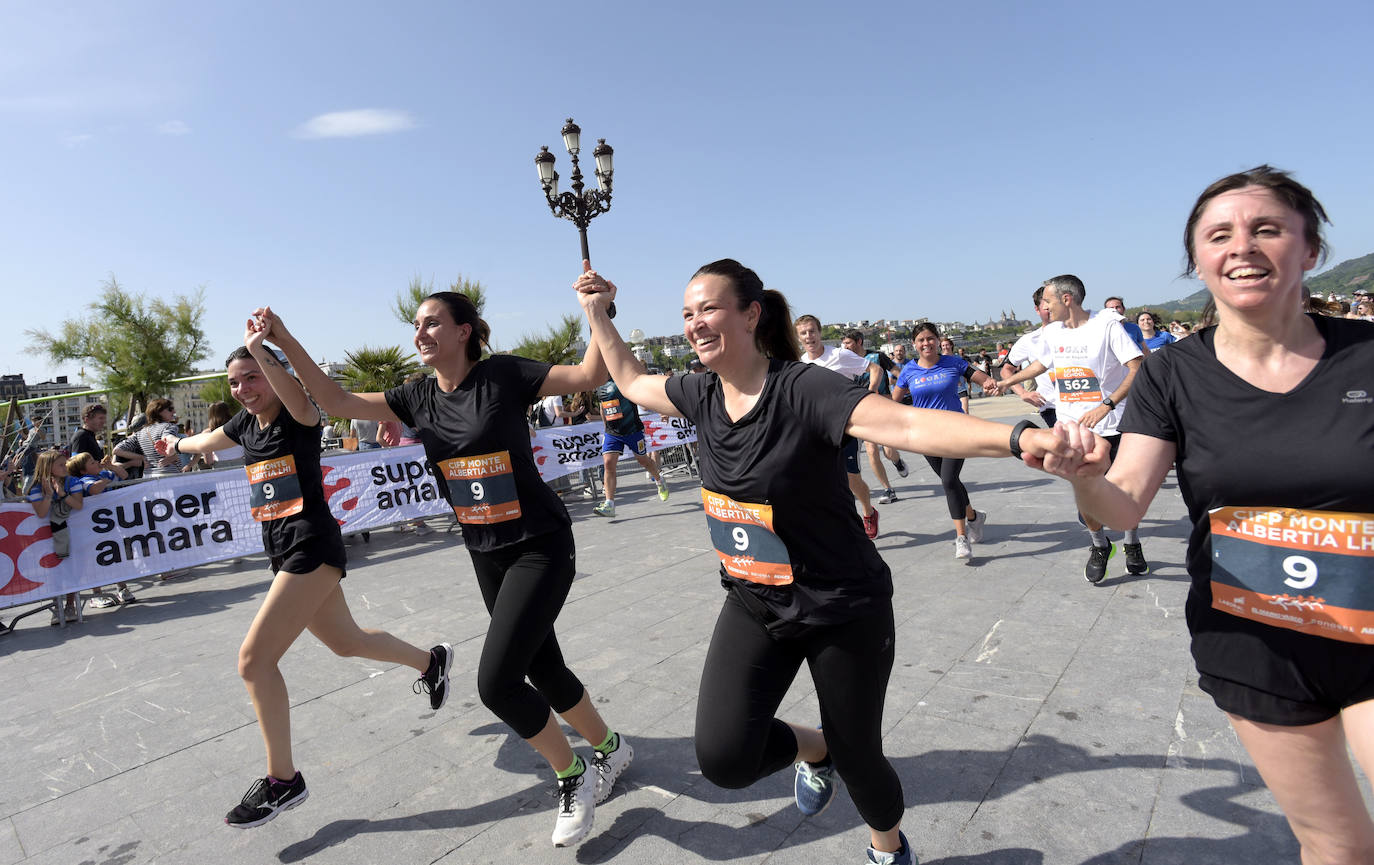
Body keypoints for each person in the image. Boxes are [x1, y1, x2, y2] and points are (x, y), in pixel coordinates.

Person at [574, 258, 1081, 865]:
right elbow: (629, 379)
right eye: (687, 313)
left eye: (708, 308)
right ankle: (814, 750)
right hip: (755, 600)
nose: (695, 324)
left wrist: (1020, 438)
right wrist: (597, 314)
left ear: (750, 314)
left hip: (842, 604)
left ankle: (888, 848)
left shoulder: (803, 388)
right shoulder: (697, 392)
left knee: (862, 755)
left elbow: (905, 425)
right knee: (725, 758)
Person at [1046, 165, 1374, 864]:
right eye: (1219, 234)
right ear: (1198, 259)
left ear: (1310, 249)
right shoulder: (1172, 374)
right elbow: (1127, 497)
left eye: (1267, 229)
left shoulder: (1366, 359)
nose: (1242, 246)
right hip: (1255, 640)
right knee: (1337, 846)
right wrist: (1083, 477)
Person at [256, 274, 631, 848]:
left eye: (432, 322)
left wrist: (598, 312)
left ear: (464, 331)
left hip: (540, 543)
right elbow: (331, 401)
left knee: (498, 682)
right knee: (543, 667)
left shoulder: (502, 374)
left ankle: (572, 775)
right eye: (415, 325)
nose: (420, 332)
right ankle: (611, 748)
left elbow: (589, 376)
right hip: (484, 550)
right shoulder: (415, 395)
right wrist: (280, 338)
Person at [159, 332, 453, 829]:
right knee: (347, 642)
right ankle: (431, 661)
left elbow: (292, 389)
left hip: (311, 547)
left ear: (272, 375)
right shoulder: (244, 426)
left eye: (252, 376)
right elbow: (205, 441)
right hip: (283, 553)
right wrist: (173, 442)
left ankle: (282, 780)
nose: (244, 387)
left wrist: (261, 347)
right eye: (234, 382)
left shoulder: (300, 416)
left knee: (253, 661)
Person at [1001, 274, 1150, 583]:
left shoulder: (1106, 325)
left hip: (1113, 423)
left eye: (1047, 301)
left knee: (1125, 490)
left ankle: (1132, 543)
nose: (1043, 307)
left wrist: (1106, 405)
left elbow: (1137, 367)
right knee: (1085, 490)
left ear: (1066, 300)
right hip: (1073, 428)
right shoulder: (1053, 332)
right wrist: (1008, 382)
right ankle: (1099, 546)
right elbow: (1041, 365)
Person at [892, 323, 999, 562]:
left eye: (930, 338)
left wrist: (990, 384)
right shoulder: (909, 370)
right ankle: (973, 517)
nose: (926, 343)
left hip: (955, 431)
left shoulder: (953, 362)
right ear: (914, 344)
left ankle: (961, 537)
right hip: (926, 435)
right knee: (951, 482)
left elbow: (980, 378)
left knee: (949, 480)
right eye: (921, 340)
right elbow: (894, 403)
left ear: (938, 340)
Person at [794, 315, 884, 539]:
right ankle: (839, 526)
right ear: (798, 338)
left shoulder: (839, 355)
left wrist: (870, 391)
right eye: (804, 333)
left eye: (812, 331)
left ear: (820, 332)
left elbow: (875, 369)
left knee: (852, 479)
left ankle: (869, 512)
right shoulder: (799, 364)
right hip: (816, 430)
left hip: (845, 427)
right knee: (821, 480)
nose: (809, 336)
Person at [841, 330, 909, 505]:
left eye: (848, 343)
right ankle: (888, 489)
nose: (845, 347)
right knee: (871, 450)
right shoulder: (845, 362)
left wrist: (906, 386)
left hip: (883, 407)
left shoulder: (877, 357)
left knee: (888, 451)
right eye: (844, 343)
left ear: (859, 341)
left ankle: (897, 461)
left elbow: (896, 372)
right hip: (863, 411)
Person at [592, 367, 670, 518]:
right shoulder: (599, 387)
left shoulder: (622, 382)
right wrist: (606, 429)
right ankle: (609, 504)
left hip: (632, 430)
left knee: (643, 461)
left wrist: (662, 410)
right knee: (608, 464)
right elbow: (603, 408)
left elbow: (644, 400)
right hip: (612, 433)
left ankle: (660, 481)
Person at [66, 452, 136, 607]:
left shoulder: (102, 474)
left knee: (116, 556)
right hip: (92, 528)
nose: (97, 462)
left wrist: (110, 467)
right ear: (83, 470)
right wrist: (105, 478)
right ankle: (96, 594)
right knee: (94, 561)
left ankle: (122, 588)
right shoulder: (83, 480)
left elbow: (123, 475)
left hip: (110, 525)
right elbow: (94, 490)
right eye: (92, 463)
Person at [26, 449, 85, 625]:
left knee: (72, 568)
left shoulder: (72, 481)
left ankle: (70, 604)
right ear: (48, 468)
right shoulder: (36, 487)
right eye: (60, 464)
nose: (65, 466)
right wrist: (49, 496)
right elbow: (42, 513)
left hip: (71, 532)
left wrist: (62, 494)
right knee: (53, 571)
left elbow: (78, 505)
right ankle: (56, 605)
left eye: (65, 463)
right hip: (46, 536)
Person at [1001, 287, 1059, 428]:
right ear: (1037, 310)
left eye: (1054, 305)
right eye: (1046, 308)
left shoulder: (1079, 333)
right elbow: (1006, 370)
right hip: (1051, 406)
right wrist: (1023, 393)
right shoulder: (1029, 340)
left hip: (1083, 402)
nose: (1051, 310)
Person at [940, 337, 971, 413]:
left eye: (947, 345)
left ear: (951, 346)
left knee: (965, 413)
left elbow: (966, 370)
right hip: (946, 391)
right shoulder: (938, 360)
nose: (945, 347)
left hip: (961, 389)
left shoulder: (958, 359)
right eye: (943, 345)